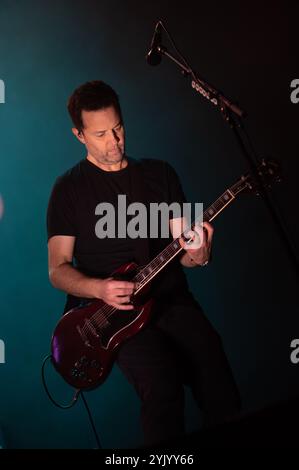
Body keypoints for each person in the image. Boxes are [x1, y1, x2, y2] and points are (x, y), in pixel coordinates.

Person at [47, 80, 241, 447]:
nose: (115, 142)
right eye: (101, 134)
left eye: (119, 128)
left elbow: (186, 250)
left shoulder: (159, 174)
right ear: (79, 135)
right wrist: (99, 288)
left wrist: (200, 253)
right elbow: (57, 269)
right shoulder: (67, 189)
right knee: (162, 385)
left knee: (215, 373)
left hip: (170, 299)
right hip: (114, 314)